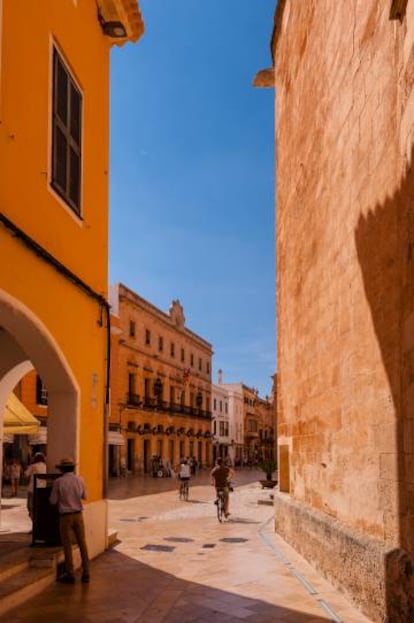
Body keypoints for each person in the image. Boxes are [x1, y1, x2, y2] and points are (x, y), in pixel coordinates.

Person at [49, 457, 90, 584]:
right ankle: (86, 572)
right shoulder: (80, 479)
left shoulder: (58, 482)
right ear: (73, 468)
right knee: (82, 543)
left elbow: (53, 500)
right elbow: (85, 496)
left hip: (65, 516)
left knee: (67, 544)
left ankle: (70, 574)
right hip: (78, 515)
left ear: (61, 469)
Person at [25, 452, 47, 520]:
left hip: (32, 489)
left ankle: (33, 521)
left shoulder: (33, 466)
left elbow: (26, 474)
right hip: (42, 488)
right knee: (39, 507)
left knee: (30, 506)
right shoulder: (45, 466)